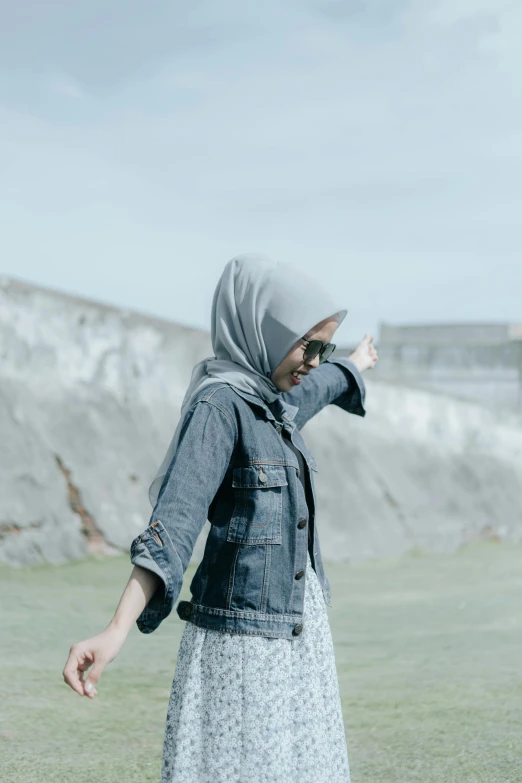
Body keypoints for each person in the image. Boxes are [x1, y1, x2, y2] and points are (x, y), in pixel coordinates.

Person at [63, 253, 378, 783]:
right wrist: (117, 630)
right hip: (244, 648)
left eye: (325, 348)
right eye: (308, 345)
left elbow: (321, 387)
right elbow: (175, 523)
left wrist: (354, 364)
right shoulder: (221, 406)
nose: (316, 362)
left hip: (300, 637)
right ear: (264, 331)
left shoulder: (277, 402)